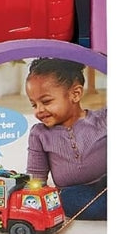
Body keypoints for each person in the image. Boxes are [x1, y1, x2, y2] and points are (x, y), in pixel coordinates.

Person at [25, 58, 107, 220]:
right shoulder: (39, 134)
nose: (39, 110)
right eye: (34, 105)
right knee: (66, 199)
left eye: (46, 101)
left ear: (75, 94)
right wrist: (32, 200)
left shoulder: (103, 119)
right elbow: (36, 177)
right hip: (73, 192)